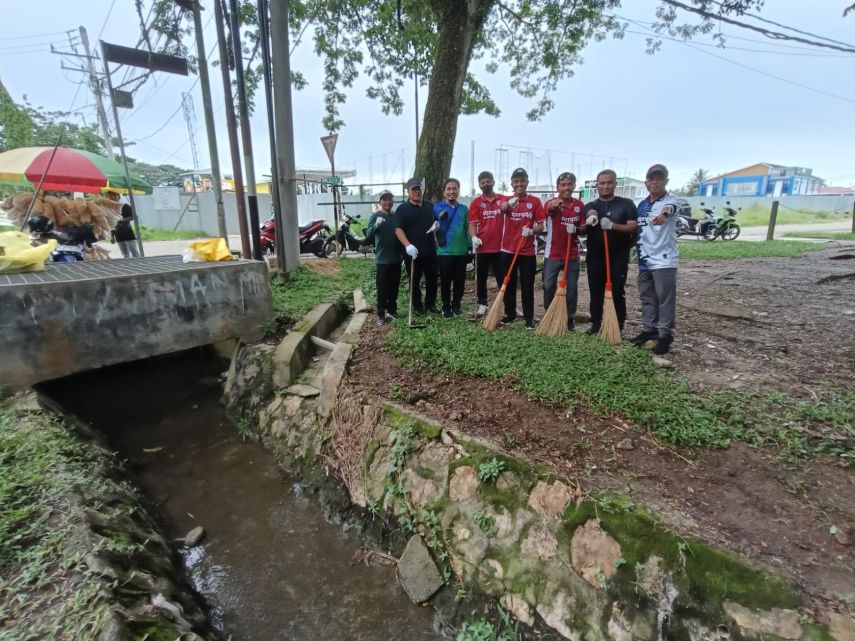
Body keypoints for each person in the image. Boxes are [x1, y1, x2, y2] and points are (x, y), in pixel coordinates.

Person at [631, 164, 684, 355]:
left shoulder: (671, 201)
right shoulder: (642, 205)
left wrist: (664, 214)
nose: (655, 182)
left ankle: (665, 335)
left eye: (659, 179)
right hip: (645, 260)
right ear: (646, 182)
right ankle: (648, 330)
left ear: (666, 181)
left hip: (664, 260)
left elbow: (671, 208)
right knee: (647, 297)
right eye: (651, 179)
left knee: (665, 299)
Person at [584, 169, 637, 334]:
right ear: (597, 185)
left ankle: (617, 324)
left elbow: (632, 226)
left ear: (615, 184)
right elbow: (590, 213)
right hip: (595, 256)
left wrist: (612, 226)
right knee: (595, 290)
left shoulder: (626, 204)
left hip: (618, 256)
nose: (605, 186)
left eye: (609, 182)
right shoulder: (591, 205)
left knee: (616, 291)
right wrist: (592, 218)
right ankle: (596, 323)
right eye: (602, 183)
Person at [499, 168, 546, 329]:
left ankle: (529, 317)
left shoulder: (535, 202)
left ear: (527, 182)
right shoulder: (506, 198)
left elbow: (541, 225)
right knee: (508, 284)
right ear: (512, 183)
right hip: (507, 250)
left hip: (527, 251)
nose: (519, 184)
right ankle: (510, 313)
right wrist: (510, 204)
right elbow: (503, 208)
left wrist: (532, 231)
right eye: (516, 181)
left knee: (527, 285)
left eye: (522, 180)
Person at [542, 172, 586, 331]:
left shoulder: (579, 205)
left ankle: (569, 319)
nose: (567, 188)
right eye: (563, 185)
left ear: (574, 185)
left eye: (570, 184)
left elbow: (583, 228)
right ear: (558, 187)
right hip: (552, 253)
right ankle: (549, 315)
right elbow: (548, 209)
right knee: (548, 286)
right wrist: (553, 206)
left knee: (572, 288)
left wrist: (577, 229)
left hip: (572, 254)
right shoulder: (552, 203)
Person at [395, 177, 438, 314]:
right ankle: (417, 305)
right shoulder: (402, 209)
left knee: (432, 279)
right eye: (413, 189)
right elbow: (398, 229)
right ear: (408, 191)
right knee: (414, 280)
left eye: (419, 189)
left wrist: (437, 225)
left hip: (430, 250)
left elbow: (438, 221)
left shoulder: (430, 206)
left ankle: (431, 303)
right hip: (412, 252)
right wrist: (408, 246)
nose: (417, 192)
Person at [468, 171, 506, 317]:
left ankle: (506, 304)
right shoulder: (476, 203)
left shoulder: (502, 199)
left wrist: (508, 204)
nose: (486, 184)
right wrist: (473, 237)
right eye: (483, 182)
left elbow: (509, 207)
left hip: (501, 247)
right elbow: (472, 224)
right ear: (479, 185)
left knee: (502, 278)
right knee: (481, 278)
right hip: (482, 248)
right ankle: (482, 304)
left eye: (488, 181)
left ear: (493, 181)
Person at [434, 178, 470, 317]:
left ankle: (456, 305)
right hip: (444, 251)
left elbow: (467, 228)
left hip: (461, 250)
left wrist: (469, 245)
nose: (451, 192)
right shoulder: (437, 207)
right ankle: (446, 306)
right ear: (444, 191)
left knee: (460, 280)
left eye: (454, 188)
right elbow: (433, 226)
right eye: (448, 189)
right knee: (445, 280)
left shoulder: (464, 209)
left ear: (458, 190)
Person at [364, 191, 401, 325]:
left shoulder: (395, 216)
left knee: (394, 287)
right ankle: (380, 314)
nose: (388, 202)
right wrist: (376, 225)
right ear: (380, 202)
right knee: (382, 288)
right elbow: (368, 234)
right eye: (385, 200)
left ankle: (392, 310)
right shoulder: (375, 216)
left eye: (390, 199)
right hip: (382, 259)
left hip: (396, 258)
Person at [110, 191, 141, 258]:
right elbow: (110, 224)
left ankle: (139, 265)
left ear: (119, 197)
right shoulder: (109, 209)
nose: (112, 197)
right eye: (110, 196)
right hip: (117, 235)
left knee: (135, 254)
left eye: (114, 195)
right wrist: (112, 237)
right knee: (125, 254)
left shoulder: (125, 206)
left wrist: (123, 220)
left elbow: (135, 216)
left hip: (128, 233)